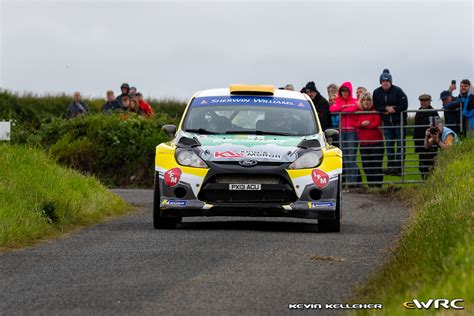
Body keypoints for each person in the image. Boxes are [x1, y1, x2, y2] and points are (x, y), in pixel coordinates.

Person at [373, 69, 408, 176]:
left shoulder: (398, 91)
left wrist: (395, 109)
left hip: (399, 122)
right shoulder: (376, 92)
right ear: (380, 82)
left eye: (387, 81)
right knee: (389, 145)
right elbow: (376, 106)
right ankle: (391, 166)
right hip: (387, 123)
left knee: (400, 144)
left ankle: (399, 168)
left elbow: (404, 104)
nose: (385, 83)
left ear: (390, 81)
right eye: (383, 81)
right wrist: (385, 108)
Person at [330, 81, 360, 186]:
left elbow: (354, 108)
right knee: (345, 159)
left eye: (346, 91)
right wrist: (344, 107)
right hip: (342, 132)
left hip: (352, 132)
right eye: (343, 91)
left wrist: (342, 108)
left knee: (351, 158)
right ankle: (348, 183)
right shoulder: (338, 101)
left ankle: (353, 184)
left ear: (350, 91)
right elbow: (332, 109)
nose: (344, 93)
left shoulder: (354, 100)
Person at [352, 92, 383, 187]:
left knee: (376, 165)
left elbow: (377, 122)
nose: (366, 102)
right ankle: (370, 186)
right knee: (366, 166)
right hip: (364, 144)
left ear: (371, 101)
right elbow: (354, 123)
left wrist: (366, 125)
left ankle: (378, 187)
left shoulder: (375, 111)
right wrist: (362, 124)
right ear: (361, 102)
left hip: (376, 143)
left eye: (368, 100)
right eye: (364, 100)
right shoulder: (358, 111)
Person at [414, 94, 439, 180]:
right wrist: (416, 143)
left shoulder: (433, 112)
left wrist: (432, 140)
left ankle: (431, 183)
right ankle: (424, 181)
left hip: (430, 143)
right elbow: (416, 129)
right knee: (422, 165)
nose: (423, 102)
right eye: (422, 101)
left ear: (429, 101)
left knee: (431, 164)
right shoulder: (418, 112)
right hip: (421, 143)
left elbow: (436, 128)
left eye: (425, 100)